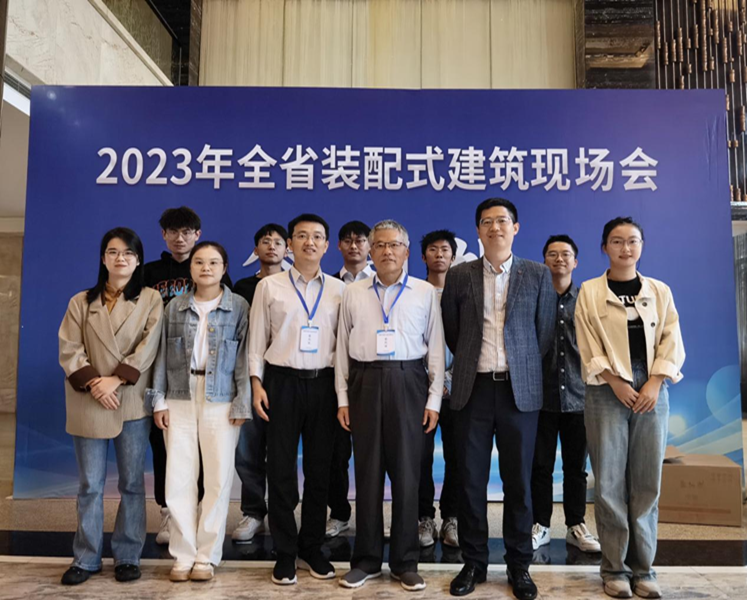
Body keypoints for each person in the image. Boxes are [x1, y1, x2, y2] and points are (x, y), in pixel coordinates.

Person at [441, 198, 556, 600]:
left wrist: (519, 365)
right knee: (470, 481)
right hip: (472, 390)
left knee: (518, 483)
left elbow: (543, 335)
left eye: (502, 221)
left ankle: (519, 565)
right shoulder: (460, 275)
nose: (495, 227)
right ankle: (474, 562)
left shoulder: (537, 274)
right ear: (478, 230)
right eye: (487, 222)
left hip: (517, 392)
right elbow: (453, 332)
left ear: (515, 227)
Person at [575, 217, 685, 599]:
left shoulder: (659, 290)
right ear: (604, 247)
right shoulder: (589, 291)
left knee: (646, 484)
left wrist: (655, 382)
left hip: (652, 394)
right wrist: (616, 382)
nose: (626, 248)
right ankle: (614, 570)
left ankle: (644, 569)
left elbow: (671, 339)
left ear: (642, 246)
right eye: (617, 241)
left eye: (633, 241)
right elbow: (587, 343)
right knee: (608, 485)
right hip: (607, 394)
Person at [336, 219, 445, 592]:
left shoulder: (424, 292)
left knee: (407, 475)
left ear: (406, 251)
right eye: (379, 245)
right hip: (364, 381)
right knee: (367, 474)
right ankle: (366, 560)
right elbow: (341, 349)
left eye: (394, 244)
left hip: (408, 381)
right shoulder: (353, 292)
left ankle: (405, 562)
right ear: (370, 251)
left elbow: (435, 348)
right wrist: (342, 398)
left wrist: (434, 399)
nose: (386, 251)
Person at [58, 227, 163, 586]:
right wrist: (95, 384)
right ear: (103, 258)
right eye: (113, 252)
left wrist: (115, 380)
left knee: (132, 484)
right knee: (90, 485)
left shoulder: (150, 299)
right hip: (89, 400)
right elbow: (69, 349)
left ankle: (128, 555)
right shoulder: (81, 301)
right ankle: (85, 558)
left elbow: (148, 347)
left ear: (138, 260)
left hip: (129, 400)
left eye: (128, 253)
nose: (121, 258)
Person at [249, 213, 346, 586]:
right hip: (281, 383)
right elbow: (257, 340)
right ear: (290, 244)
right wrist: (257, 384)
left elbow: (344, 347)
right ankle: (285, 551)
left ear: (326, 245)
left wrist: (343, 394)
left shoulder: (340, 290)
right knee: (281, 470)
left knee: (321, 470)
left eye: (317, 236)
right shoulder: (269, 287)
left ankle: (312, 547)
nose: (310, 242)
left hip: (324, 385)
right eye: (302, 236)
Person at [148, 241, 250, 583]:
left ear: (224, 268)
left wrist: (242, 401)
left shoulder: (238, 306)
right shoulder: (174, 306)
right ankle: (183, 554)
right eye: (199, 262)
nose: (206, 268)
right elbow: (161, 355)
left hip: (221, 398)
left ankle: (206, 556)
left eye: (213, 262)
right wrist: (158, 400)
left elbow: (243, 358)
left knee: (218, 480)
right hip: (179, 395)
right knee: (178, 476)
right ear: (190, 268)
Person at [143, 206, 231, 545]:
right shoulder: (149, 273)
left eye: (187, 232)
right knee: (165, 448)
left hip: (209, 382)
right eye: (173, 232)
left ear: (197, 234)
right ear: (163, 235)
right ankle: (169, 512)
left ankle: (198, 513)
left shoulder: (215, 275)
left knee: (207, 453)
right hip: (164, 375)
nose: (180, 238)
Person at [530, 235, 600, 554]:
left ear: (576, 262)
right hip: (540, 399)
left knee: (576, 468)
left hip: (578, 396)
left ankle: (576, 525)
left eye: (566, 254)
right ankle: (541, 525)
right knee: (540, 466)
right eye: (552, 254)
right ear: (544, 261)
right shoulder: (534, 298)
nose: (559, 259)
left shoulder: (588, 300)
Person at [232, 223, 288, 543]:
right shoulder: (242, 287)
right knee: (248, 451)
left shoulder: (293, 285)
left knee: (281, 452)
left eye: (278, 242)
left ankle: (281, 515)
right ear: (255, 250)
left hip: (284, 377)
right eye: (265, 242)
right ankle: (253, 513)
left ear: (287, 248)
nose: (271, 246)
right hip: (247, 376)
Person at [326, 220, 372, 540]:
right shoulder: (328, 285)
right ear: (339, 246)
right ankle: (339, 513)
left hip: (372, 377)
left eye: (360, 240)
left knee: (375, 453)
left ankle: (373, 516)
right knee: (336, 454)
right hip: (336, 379)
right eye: (348, 240)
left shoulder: (384, 283)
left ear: (370, 245)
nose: (354, 246)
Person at [418, 229, 459, 549]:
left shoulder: (464, 294)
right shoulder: (414, 294)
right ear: (423, 257)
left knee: (458, 456)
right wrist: (431, 382)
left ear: (453, 256)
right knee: (420, 458)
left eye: (445, 250)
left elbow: (472, 341)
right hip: (420, 389)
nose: (439, 255)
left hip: (458, 389)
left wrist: (449, 379)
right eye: (433, 249)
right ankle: (423, 517)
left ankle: (452, 518)